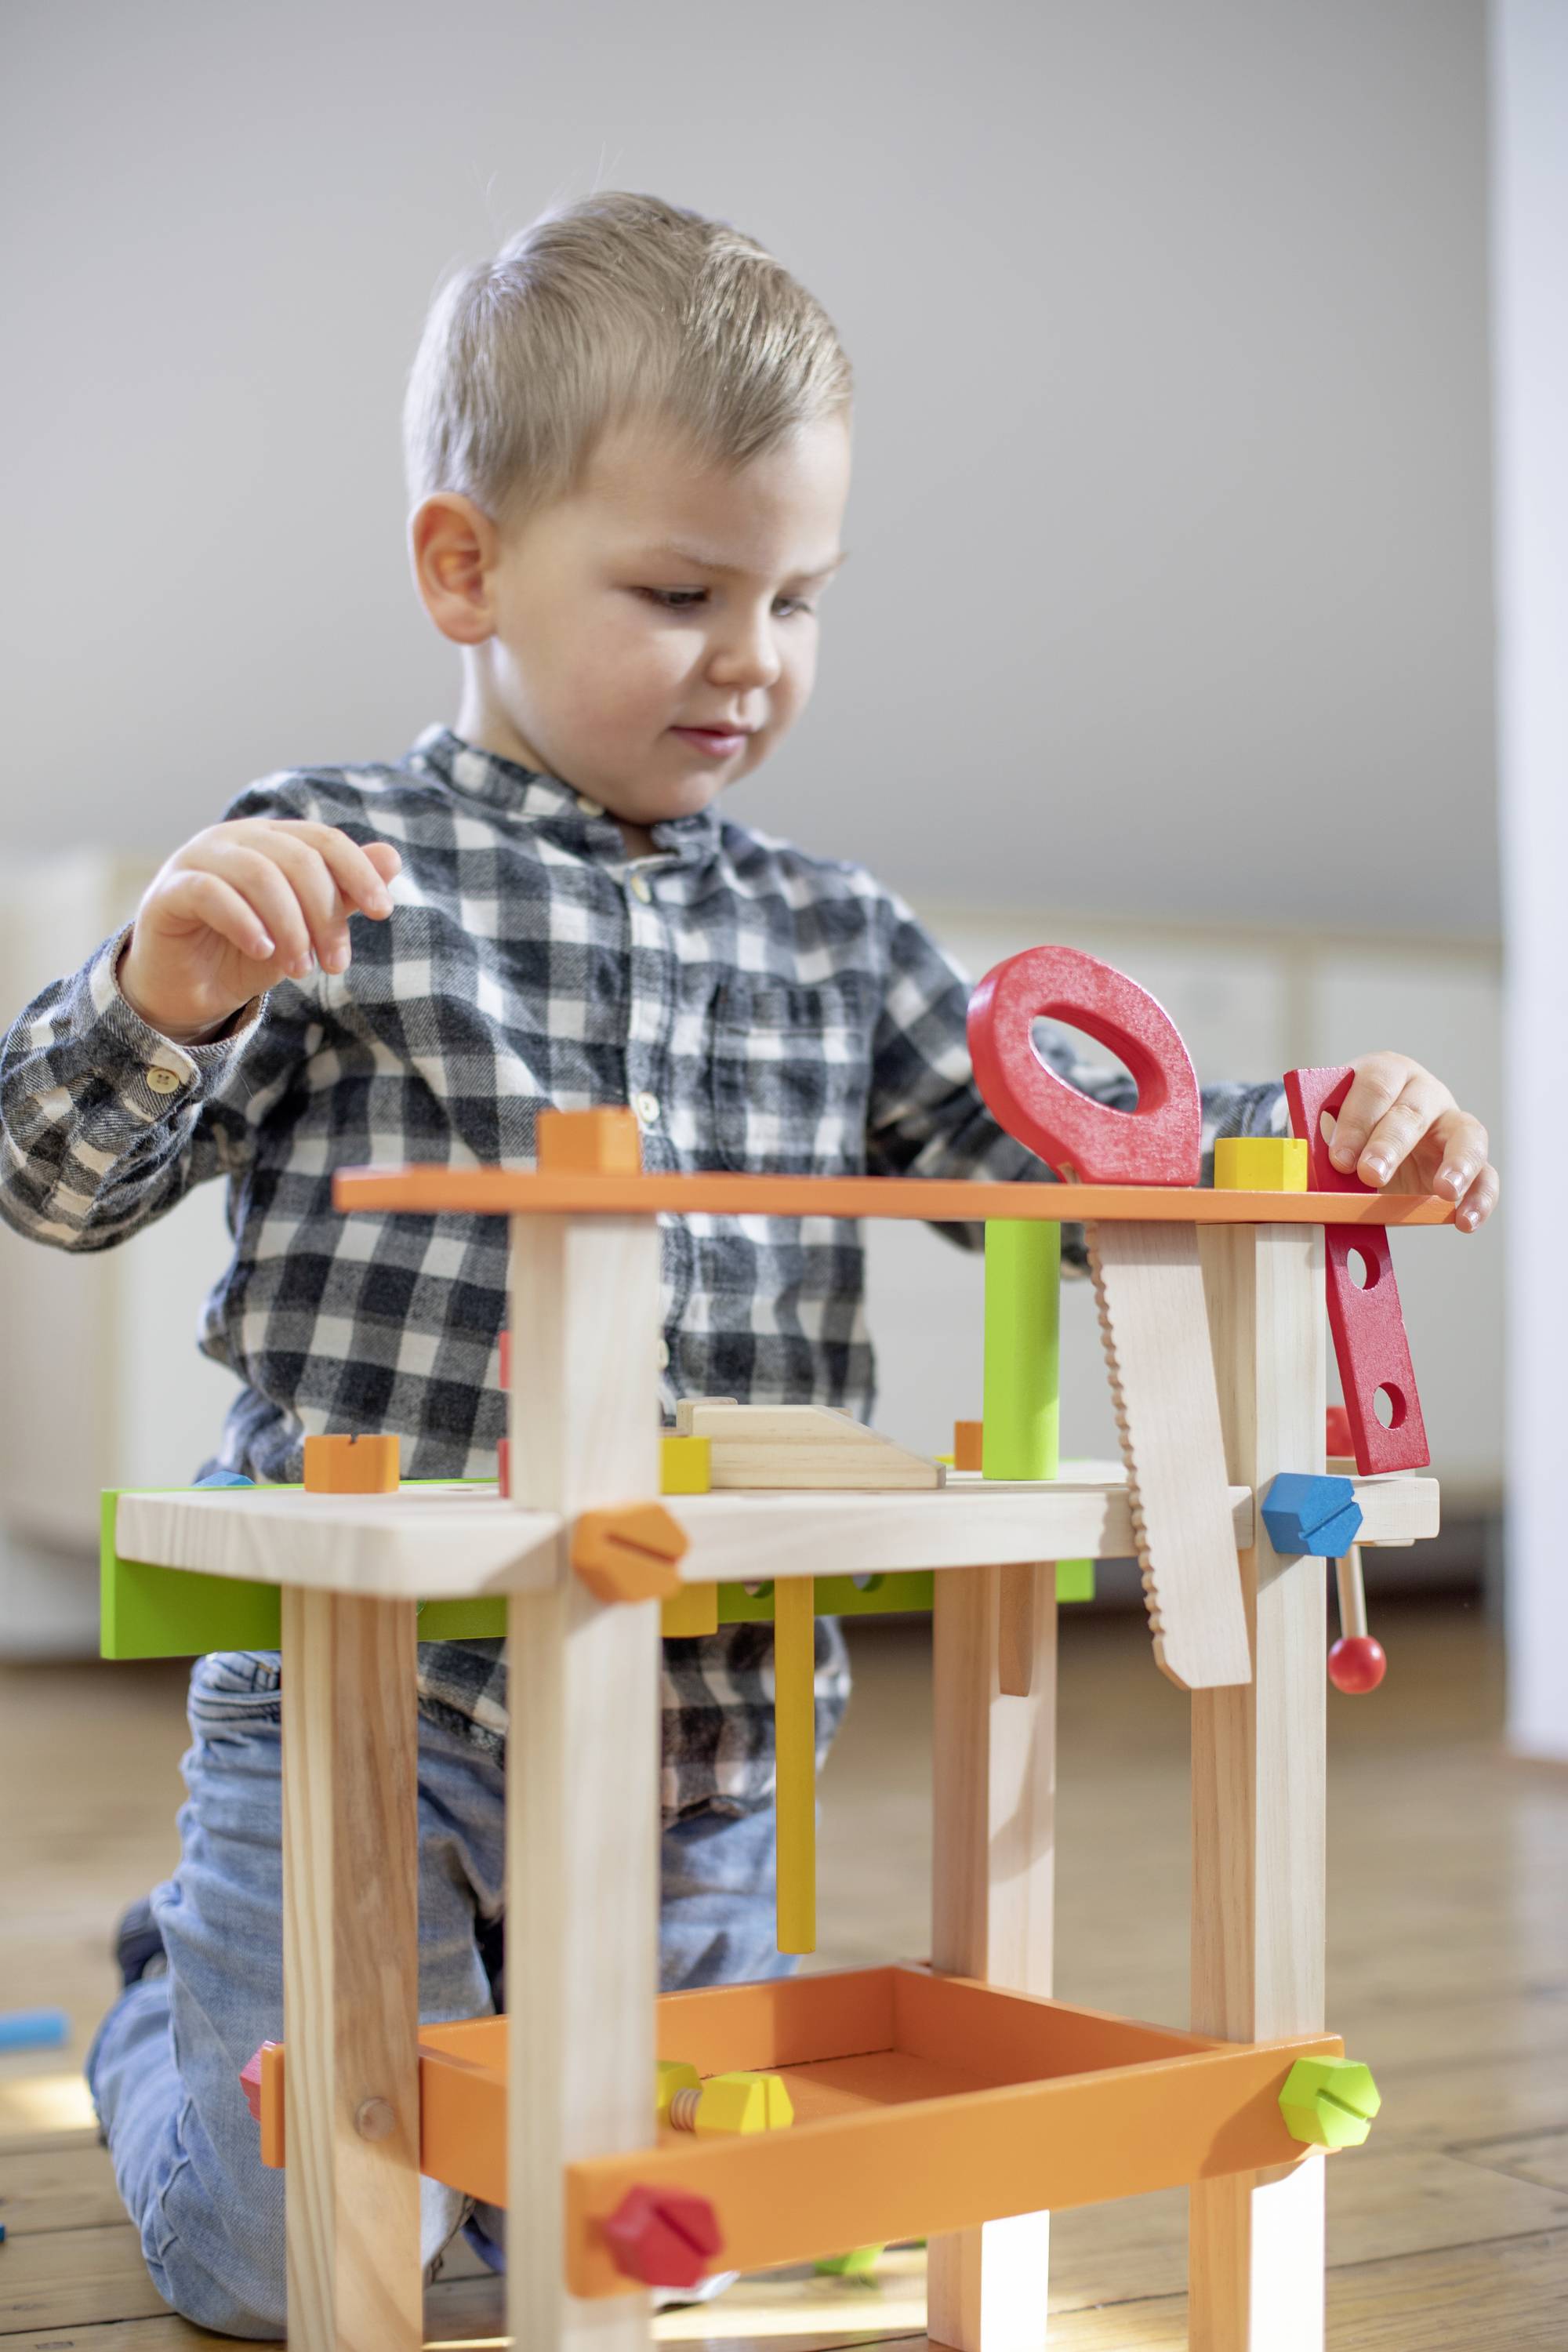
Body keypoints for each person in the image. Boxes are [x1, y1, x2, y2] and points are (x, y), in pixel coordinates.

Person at [0, 192, 1497, 2336]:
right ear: (467, 568)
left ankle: (371, 2062)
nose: (753, 657)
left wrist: (1307, 1132)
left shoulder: (844, 937)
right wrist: (163, 994)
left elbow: (1082, 1163)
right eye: (683, 591)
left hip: (696, 1744)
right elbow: (49, 1187)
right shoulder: (323, 872)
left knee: (654, 2224)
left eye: (800, 597)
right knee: (306, 2260)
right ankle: (174, 2005)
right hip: (368, 1725)